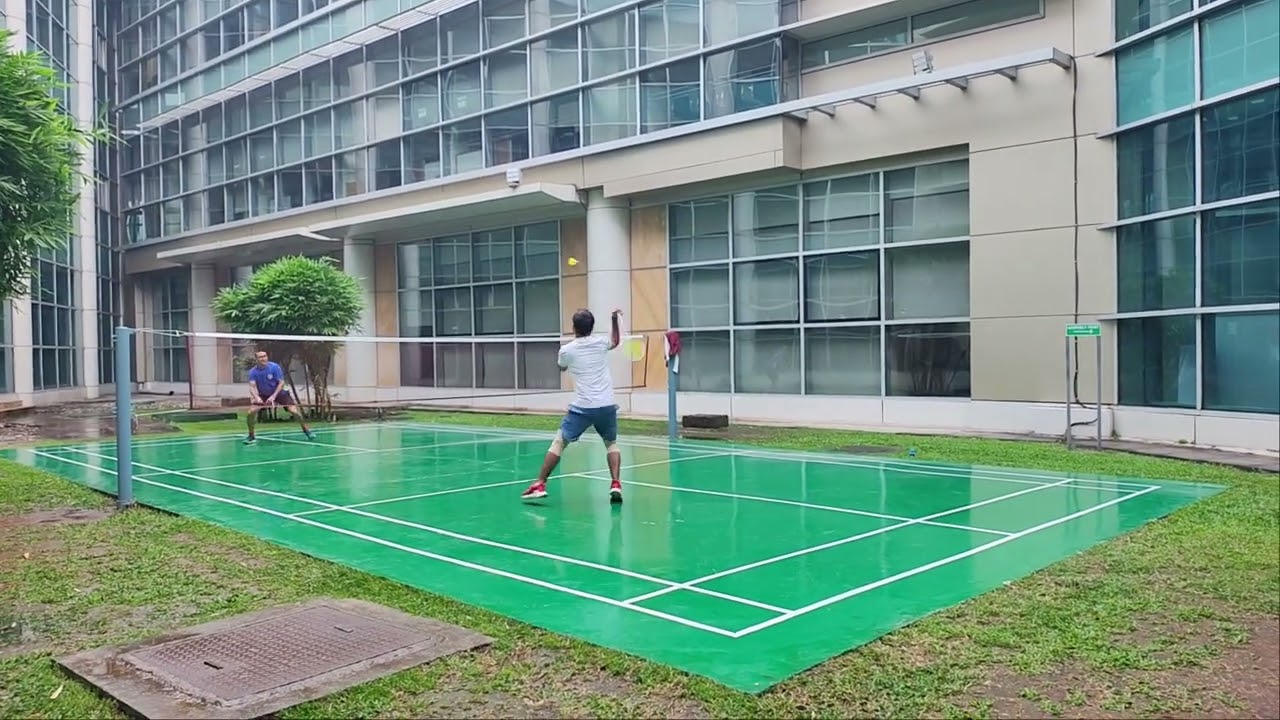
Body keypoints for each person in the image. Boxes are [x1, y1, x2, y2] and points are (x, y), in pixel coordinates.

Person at [521, 308, 624, 504]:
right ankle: (616, 483)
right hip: (607, 405)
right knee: (611, 444)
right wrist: (613, 319)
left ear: (574, 327)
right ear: (592, 327)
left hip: (583, 407)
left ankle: (540, 483)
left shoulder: (567, 350)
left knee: (559, 442)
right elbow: (616, 340)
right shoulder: (602, 342)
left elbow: (561, 366)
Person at [244, 350, 315, 445]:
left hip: (280, 393)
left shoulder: (274, 367)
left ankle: (306, 430)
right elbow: (252, 386)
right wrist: (256, 397)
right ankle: (251, 436)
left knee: (295, 412)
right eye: (260, 357)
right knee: (250, 413)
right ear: (256, 359)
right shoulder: (253, 372)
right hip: (264, 395)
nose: (263, 358)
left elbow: (281, 383)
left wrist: (274, 396)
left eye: (265, 356)